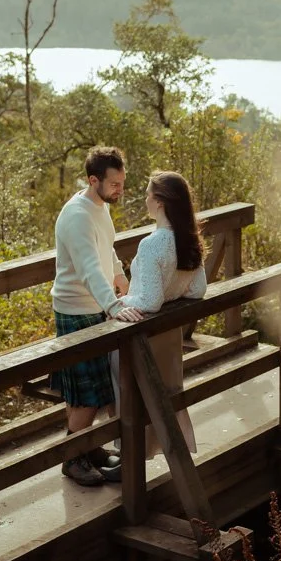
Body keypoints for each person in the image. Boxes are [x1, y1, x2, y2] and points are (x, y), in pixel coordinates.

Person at [52, 146, 143, 486]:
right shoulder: (77, 215)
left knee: (97, 388)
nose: (121, 189)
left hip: (97, 307)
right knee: (86, 394)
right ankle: (71, 459)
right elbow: (89, 270)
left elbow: (106, 249)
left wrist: (119, 273)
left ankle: (88, 448)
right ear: (94, 180)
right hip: (77, 310)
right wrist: (116, 307)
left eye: (123, 182)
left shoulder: (100, 206)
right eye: (115, 184)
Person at [114, 171, 208, 459]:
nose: (144, 199)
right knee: (168, 394)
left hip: (143, 336)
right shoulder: (188, 239)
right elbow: (197, 289)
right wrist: (171, 293)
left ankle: (130, 461)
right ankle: (173, 452)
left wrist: (118, 302)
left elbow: (151, 301)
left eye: (147, 194)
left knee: (134, 396)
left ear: (161, 203)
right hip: (169, 335)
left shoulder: (153, 243)